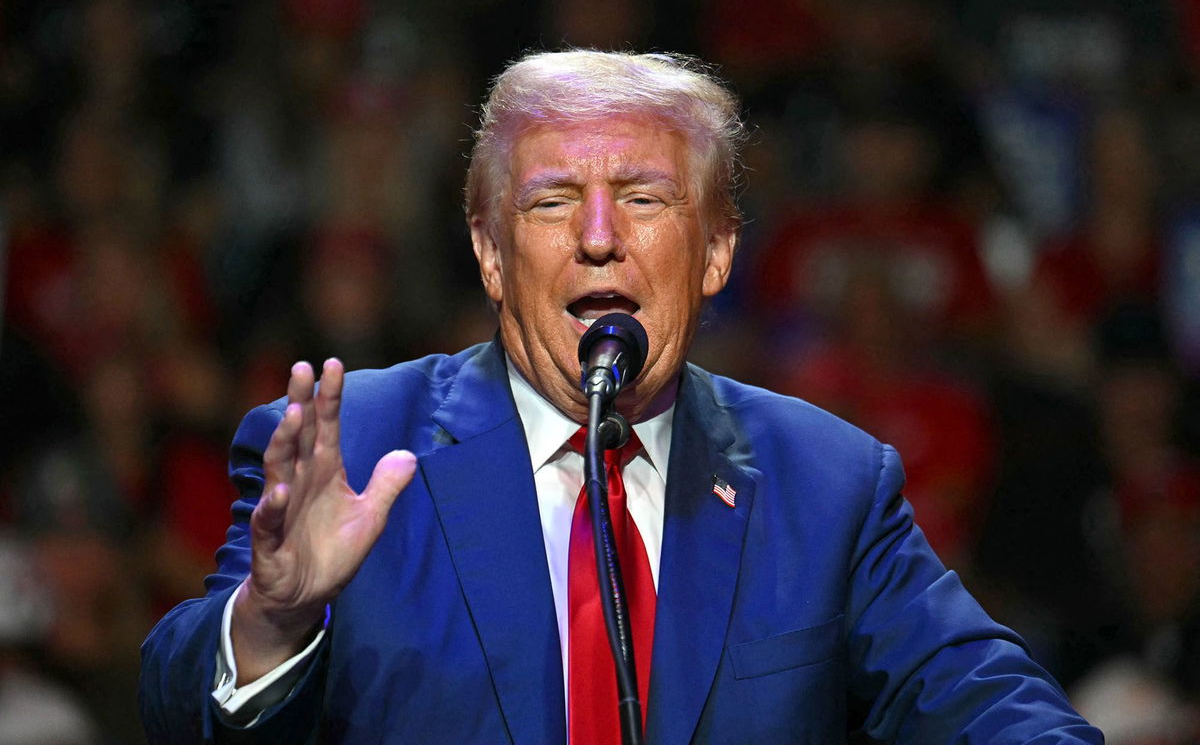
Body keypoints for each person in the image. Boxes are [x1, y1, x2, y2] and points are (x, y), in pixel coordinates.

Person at [139, 50, 1102, 743]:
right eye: (552, 201)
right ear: (488, 252)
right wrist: (273, 624)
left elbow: (991, 707)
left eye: (644, 198)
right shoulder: (355, 449)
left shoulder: (827, 482)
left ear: (719, 248)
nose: (599, 236)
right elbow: (175, 707)